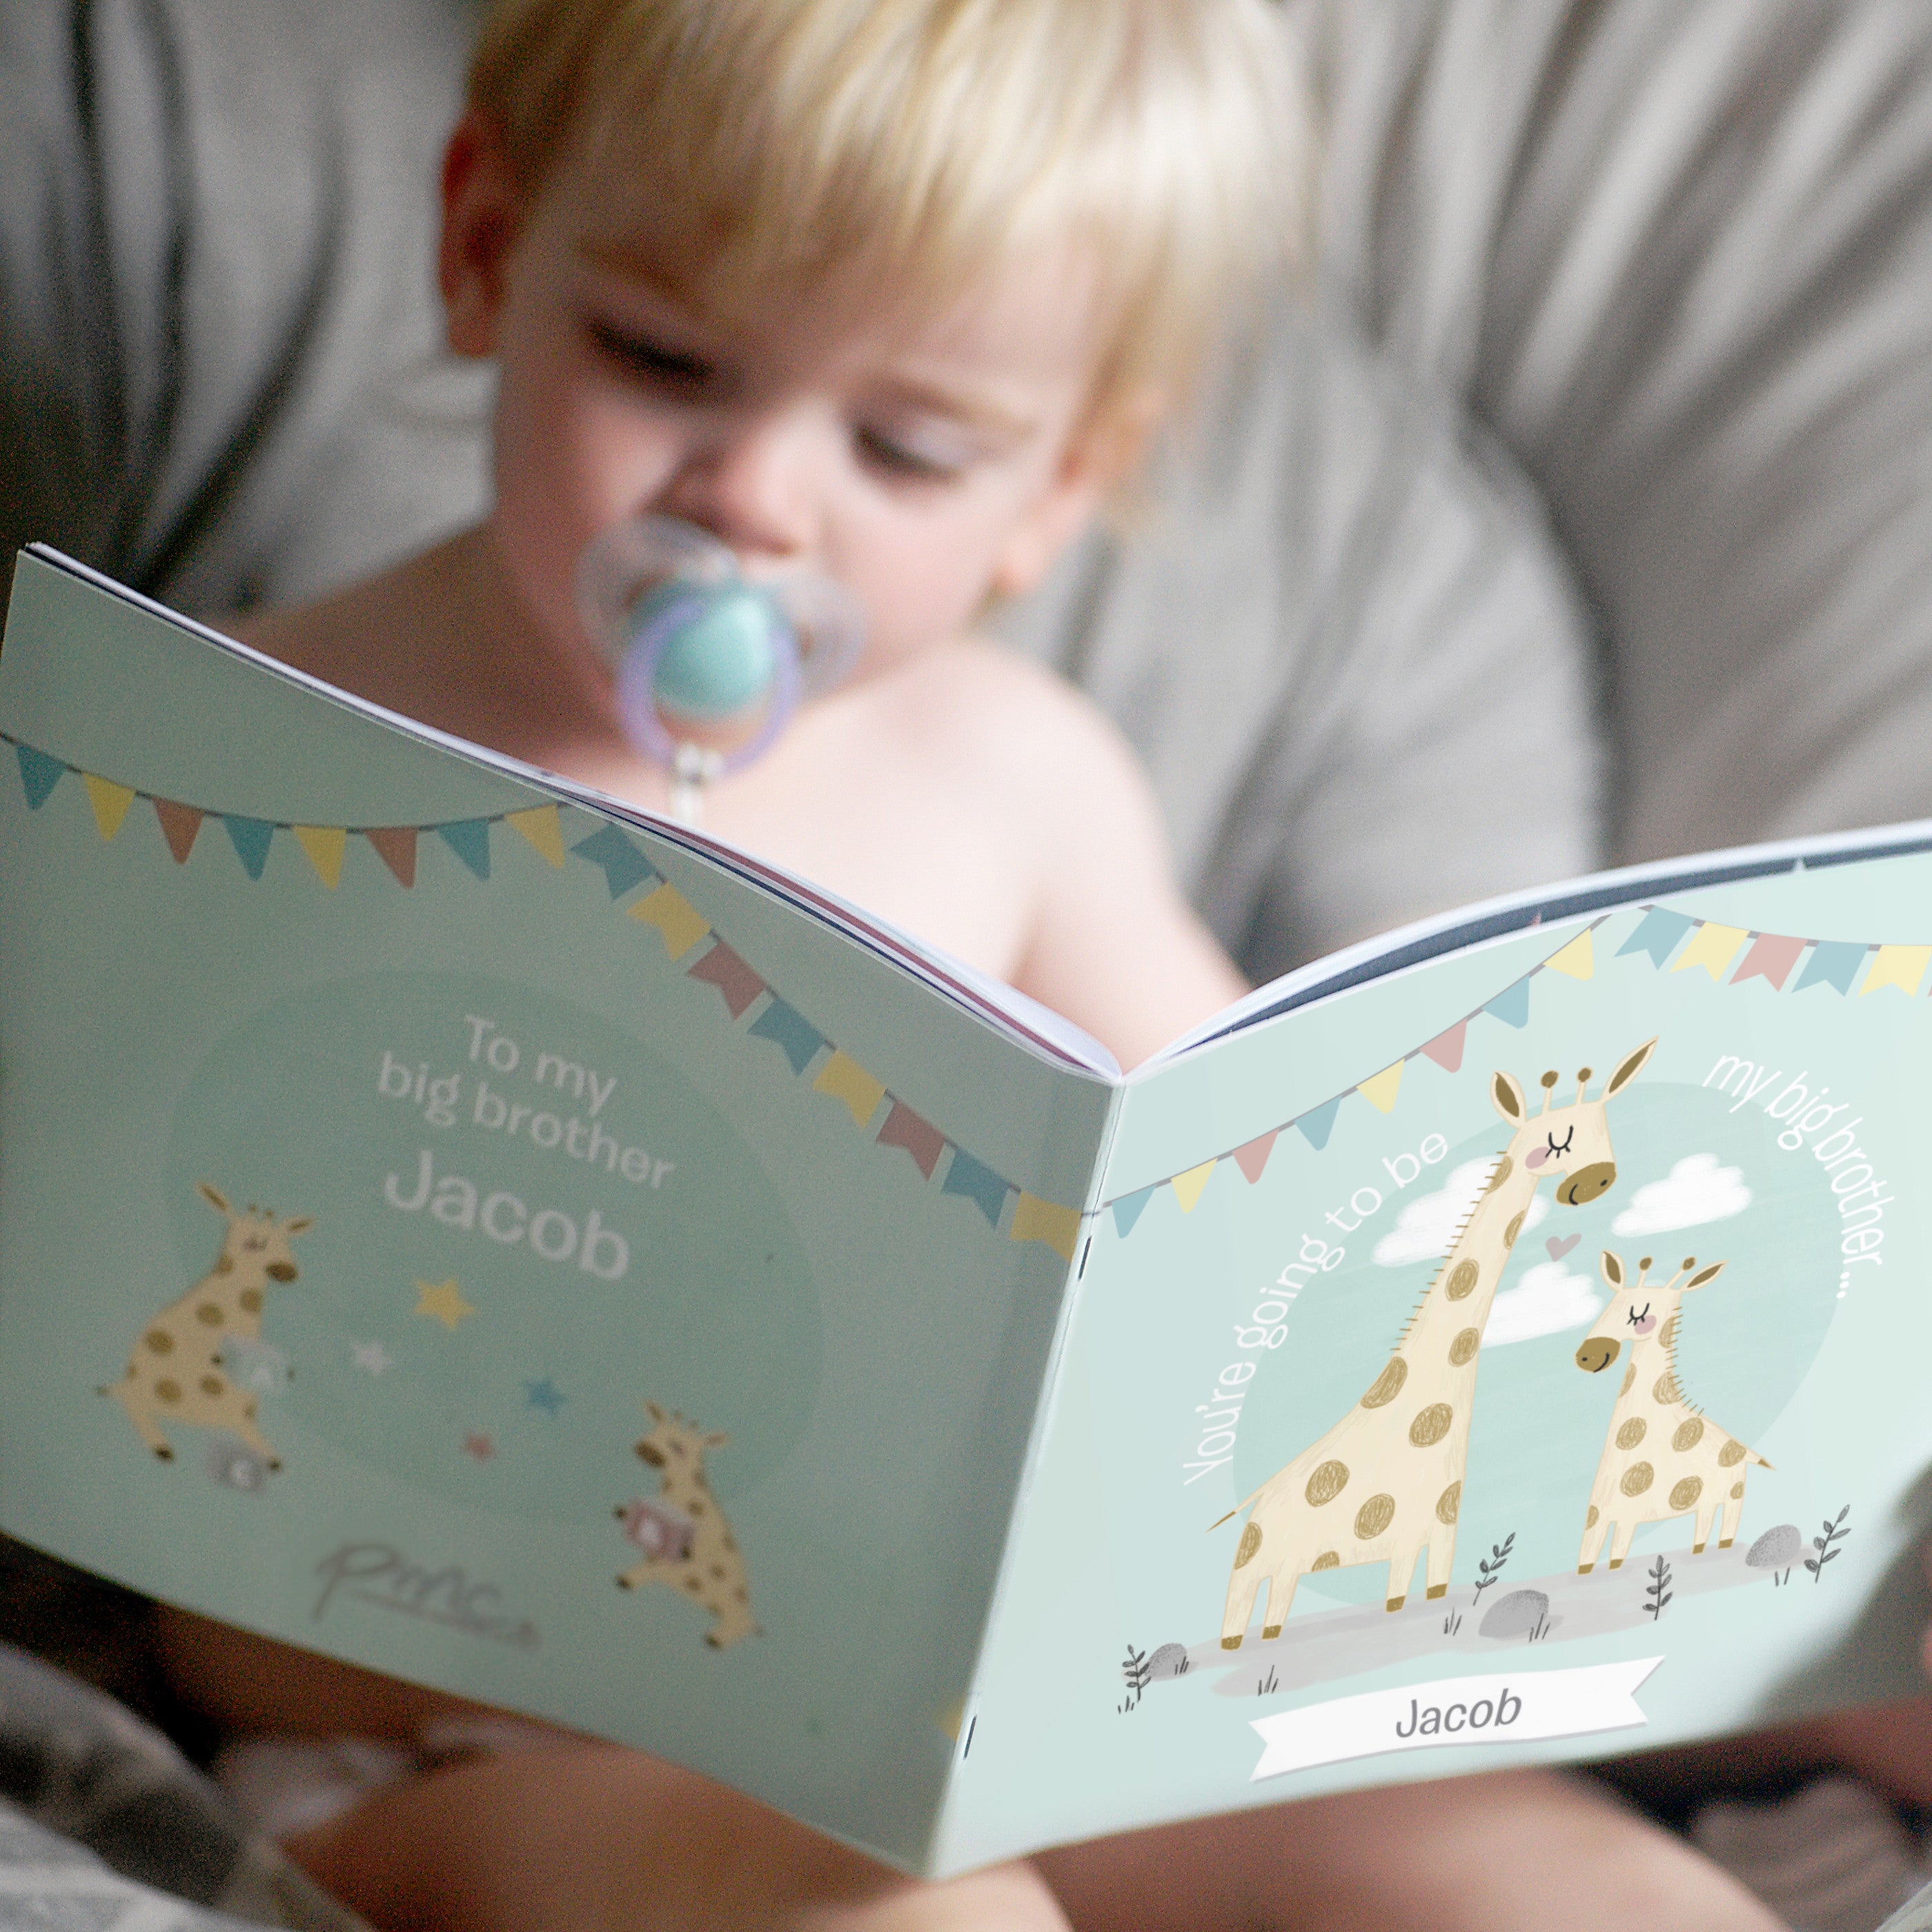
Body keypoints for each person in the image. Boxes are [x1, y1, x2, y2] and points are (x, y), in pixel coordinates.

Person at [134, 3, 1788, 1929]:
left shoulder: (1022, 783)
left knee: (1551, 1887)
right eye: (663, 359)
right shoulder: (257, 748)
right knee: (912, 1913)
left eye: (906, 450)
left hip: (985, 1705)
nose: (756, 498)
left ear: (1058, 488)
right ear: (484, 249)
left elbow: (1279, 1220)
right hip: (456, 1739)